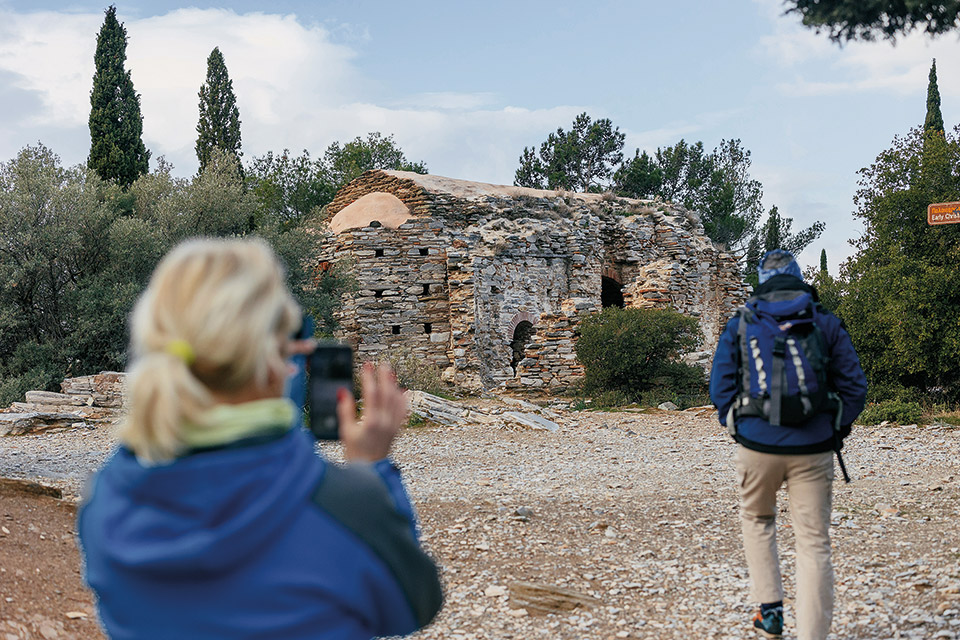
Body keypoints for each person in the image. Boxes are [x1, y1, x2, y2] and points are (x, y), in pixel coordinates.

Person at [78, 238, 442, 640]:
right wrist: (373, 470)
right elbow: (414, 604)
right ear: (274, 362)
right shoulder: (347, 506)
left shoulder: (104, 505)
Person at [709, 249, 867, 640]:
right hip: (814, 447)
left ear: (761, 279)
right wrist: (836, 430)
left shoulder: (743, 322)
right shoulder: (824, 321)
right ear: (798, 277)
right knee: (813, 542)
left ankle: (771, 612)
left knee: (758, 519)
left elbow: (720, 387)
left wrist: (737, 428)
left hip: (756, 445)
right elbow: (854, 387)